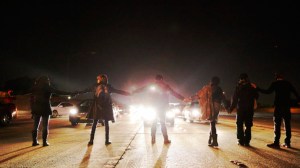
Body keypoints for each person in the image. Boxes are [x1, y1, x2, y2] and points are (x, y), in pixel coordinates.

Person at [133, 74, 185, 144]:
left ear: (156, 79)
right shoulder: (166, 86)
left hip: (154, 107)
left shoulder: (152, 85)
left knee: (154, 123)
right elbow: (174, 93)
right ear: (162, 79)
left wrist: (134, 91)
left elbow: (143, 89)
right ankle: (166, 139)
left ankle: (153, 139)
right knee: (163, 123)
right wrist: (183, 98)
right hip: (162, 108)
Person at [80, 74, 131, 145]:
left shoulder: (103, 87)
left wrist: (127, 93)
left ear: (101, 79)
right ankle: (98, 140)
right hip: (100, 107)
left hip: (102, 107)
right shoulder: (99, 86)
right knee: (100, 124)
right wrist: (127, 93)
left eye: (99, 79)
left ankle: (97, 140)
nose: (98, 80)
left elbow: (117, 91)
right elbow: (85, 90)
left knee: (99, 124)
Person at [257, 73, 300, 148]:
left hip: (278, 107)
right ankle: (287, 143)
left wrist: (257, 88)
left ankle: (276, 143)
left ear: (276, 78)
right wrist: (298, 100)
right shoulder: (288, 83)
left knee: (277, 125)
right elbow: (295, 93)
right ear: (282, 77)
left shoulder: (275, 83)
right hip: (287, 106)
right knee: (287, 124)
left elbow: (267, 92)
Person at [30, 76, 74, 146]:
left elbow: (24, 91)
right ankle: (44, 142)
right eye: (48, 80)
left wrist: (12, 93)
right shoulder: (48, 87)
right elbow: (59, 92)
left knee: (35, 126)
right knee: (45, 126)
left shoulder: (36, 87)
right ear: (46, 81)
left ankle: (34, 141)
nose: (48, 81)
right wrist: (71, 93)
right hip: (45, 108)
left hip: (37, 108)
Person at [189, 76, 228, 148]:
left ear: (211, 81)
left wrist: (190, 98)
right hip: (217, 106)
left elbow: (198, 95)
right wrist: (227, 108)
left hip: (210, 106)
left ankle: (215, 141)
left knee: (212, 122)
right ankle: (210, 139)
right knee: (213, 122)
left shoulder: (207, 88)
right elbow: (223, 98)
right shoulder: (219, 89)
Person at [228, 73, 259, 146]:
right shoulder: (251, 87)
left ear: (240, 79)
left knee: (239, 124)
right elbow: (257, 96)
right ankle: (247, 141)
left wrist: (231, 108)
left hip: (241, 109)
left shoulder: (238, 87)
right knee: (248, 125)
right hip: (249, 109)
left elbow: (235, 99)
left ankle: (241, 140)